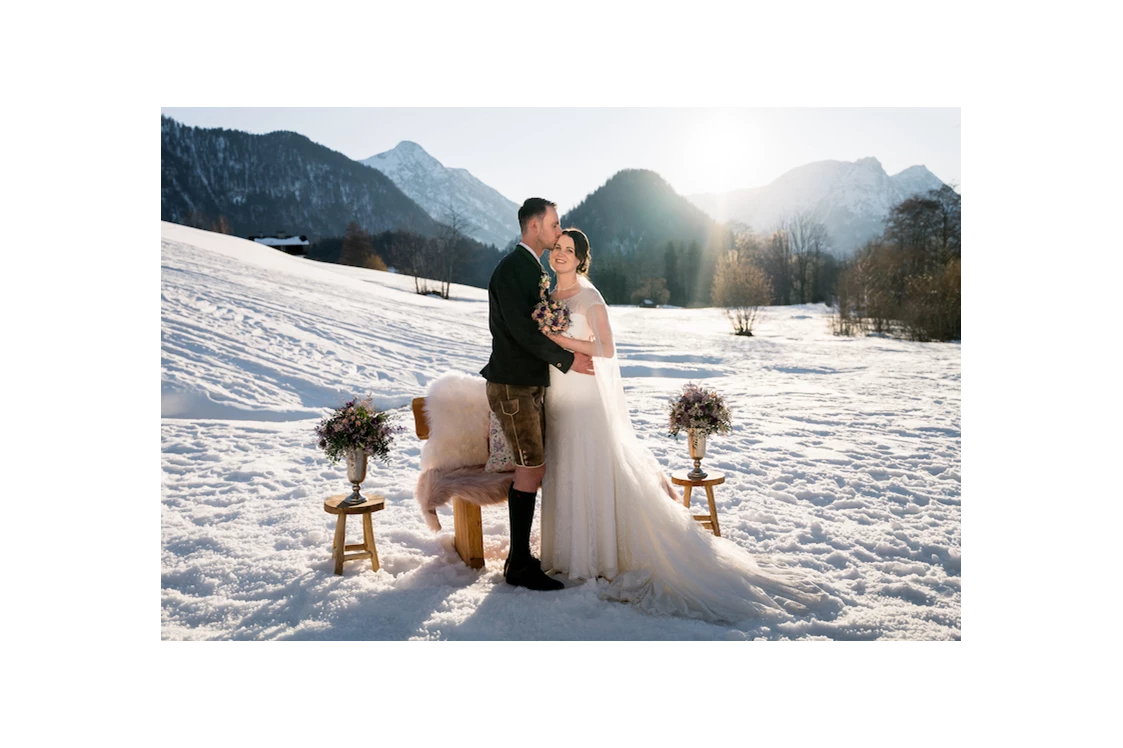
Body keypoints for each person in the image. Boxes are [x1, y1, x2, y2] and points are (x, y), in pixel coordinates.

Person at [539, 228, 837, 622]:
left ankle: (598, 554)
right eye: (557, 248)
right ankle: (567, 551)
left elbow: (607, 348)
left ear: (581, 259)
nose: (560, 254)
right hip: (558, 398)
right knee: (565, 467)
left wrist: (562, 341)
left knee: (589, 467)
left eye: (569, 251)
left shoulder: (590, 298)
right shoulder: (547, 296)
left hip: (586, 399)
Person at [481, 199, 595, 592]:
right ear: (534, 227)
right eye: (554, 224)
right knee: (530, 469)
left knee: (533, 468)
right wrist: (568, 360)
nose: (558, 230)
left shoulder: (529, 268)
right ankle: (519, 565)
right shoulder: (516, 268)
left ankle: (520, 558)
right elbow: (523, 332)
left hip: (524, 384)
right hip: (512, 386)